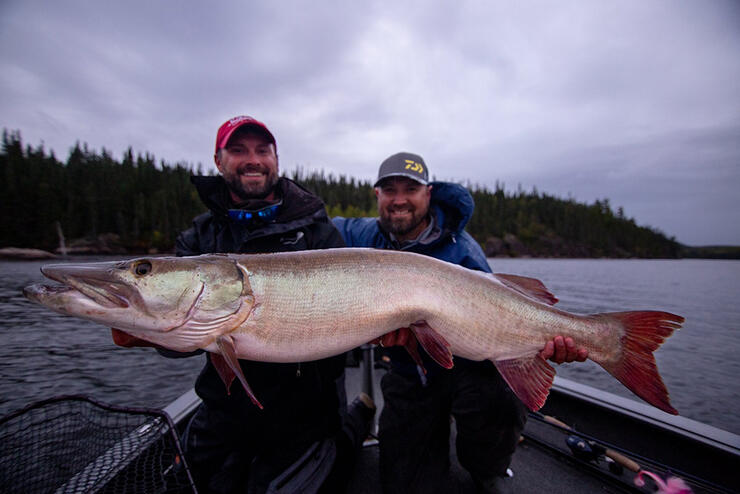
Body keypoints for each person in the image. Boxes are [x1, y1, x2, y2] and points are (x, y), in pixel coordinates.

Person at [113, 115, 374, 494]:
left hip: (305, 416)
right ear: (218, 162)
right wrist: (151, 332)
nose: (253, 159)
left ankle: (357, 419)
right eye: (238, 150)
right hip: (225, 411)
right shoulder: (199, 237)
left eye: (262, 150)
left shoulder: (318, 231)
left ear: (276, 159)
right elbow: (182, 342)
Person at [333, 152, 587, 493]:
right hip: (411, 371)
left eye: (410, 189)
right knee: (403, 483)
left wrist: (550, 344)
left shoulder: (464, 253)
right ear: (377, 195)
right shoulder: (362, 236)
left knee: (499, 400)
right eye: (389, 190)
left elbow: (504, 321)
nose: (399, 200)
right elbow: (315, 227)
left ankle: (487, 466)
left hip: (471, 367)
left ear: (429, 193)